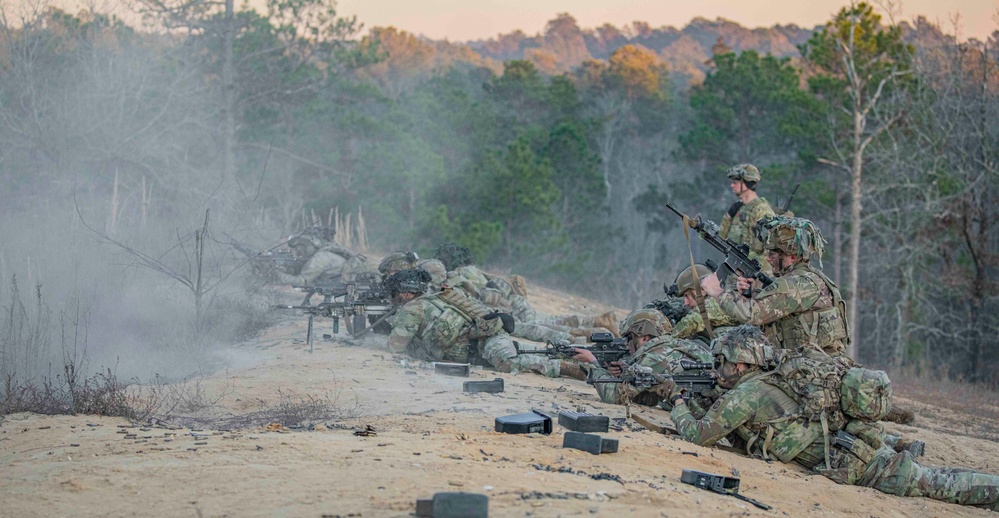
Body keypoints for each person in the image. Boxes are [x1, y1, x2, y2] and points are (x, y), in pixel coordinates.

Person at [655, 326, 999, 511]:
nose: (718, 370)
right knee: (936, 478)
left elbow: (698, 436)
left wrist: (676, 399)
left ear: (742, 365)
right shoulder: (767, 380)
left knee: (941, 485)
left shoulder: (747, 395)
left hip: (860, 462)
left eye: (723, 362)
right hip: (854, 446)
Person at [384, 269, 583, 379]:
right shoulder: (436, 298)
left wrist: (389, 326)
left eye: (394, 294)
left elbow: (395, 348)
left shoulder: (411, 309)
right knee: (530, 351)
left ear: (406, 293)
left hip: (485, 342)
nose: (393, 299)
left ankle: (564, 367)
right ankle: (580, 358)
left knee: (508, 364)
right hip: (486, 341)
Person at [700, 216, 849, 358]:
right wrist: (752, 294)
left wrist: (717, 292)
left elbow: (751, 314)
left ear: (792, 257)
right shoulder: (807, 278)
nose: (767, 258)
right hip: (811, 362)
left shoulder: (795, 284)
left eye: (773, 253)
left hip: (811, 367)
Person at [579, 309, 712, 407]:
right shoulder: (671, 347)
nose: (626, 344)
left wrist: (593, 363)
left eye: (629, 338)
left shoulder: (655, 357)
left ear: (644, 338)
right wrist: (626, 374)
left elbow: (614, 396)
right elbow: (649, 398)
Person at [666, 264, 742, 342]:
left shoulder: (719, 299)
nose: (686, 302)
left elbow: (694, 320)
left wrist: (668, 340)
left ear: (702, 290)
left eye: (687, 295)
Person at [720, 163, 776, 257]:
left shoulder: (761, 210)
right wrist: (728, 216)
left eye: (735, 182)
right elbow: (722, 237)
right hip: (736, 266)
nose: (732, 185)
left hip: (756, 268)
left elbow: (769, 248)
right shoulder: (738, 208)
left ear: (746, 182)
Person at [274, 229, 362, 286]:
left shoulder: (321, 257)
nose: (297, 252)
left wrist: (279, 275)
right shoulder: (331, 250)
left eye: (299, 248)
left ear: (309, 246)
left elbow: (302, 282)